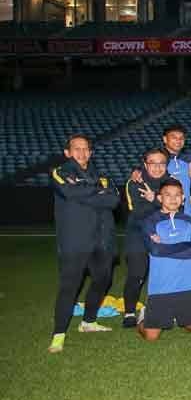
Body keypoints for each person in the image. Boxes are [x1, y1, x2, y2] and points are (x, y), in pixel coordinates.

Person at [48, 134, 121, 353]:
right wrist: (97, 191)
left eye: (85, 149)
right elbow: (70, 192)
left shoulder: (104, 177)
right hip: (75, 241)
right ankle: (58, 334)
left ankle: (88, 322)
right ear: (67, 153)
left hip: (102, 240)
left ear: (90, 152)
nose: (81, 153)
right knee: (70, 286)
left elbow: (113, 199)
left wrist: (86, 189)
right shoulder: (60, 172)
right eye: (76, 149)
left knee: (103, 280)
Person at [137, 178, 191, 341]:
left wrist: (166, 245)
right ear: (159, 198)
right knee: (151, 337)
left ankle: (178, 316)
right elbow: (155, 250)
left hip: (187, 285)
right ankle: (143, 318)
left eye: (177, 195)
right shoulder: (150, 221)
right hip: (161, 287)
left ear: (183, 198)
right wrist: (185, 244)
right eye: (168, 195)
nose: (173, 199)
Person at [122, 147, 169, 328]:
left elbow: (175, 207)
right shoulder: (134, 182)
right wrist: (159, 203)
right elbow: (138, 211)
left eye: (161, 163)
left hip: (163, 233)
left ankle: (162, 308)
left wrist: (155, 200)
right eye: (152, 163)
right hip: (138, 233)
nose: (157, 167)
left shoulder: (171, 182)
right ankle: (129, 312)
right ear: (144, 165)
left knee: (165, 273)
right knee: (137, 272)